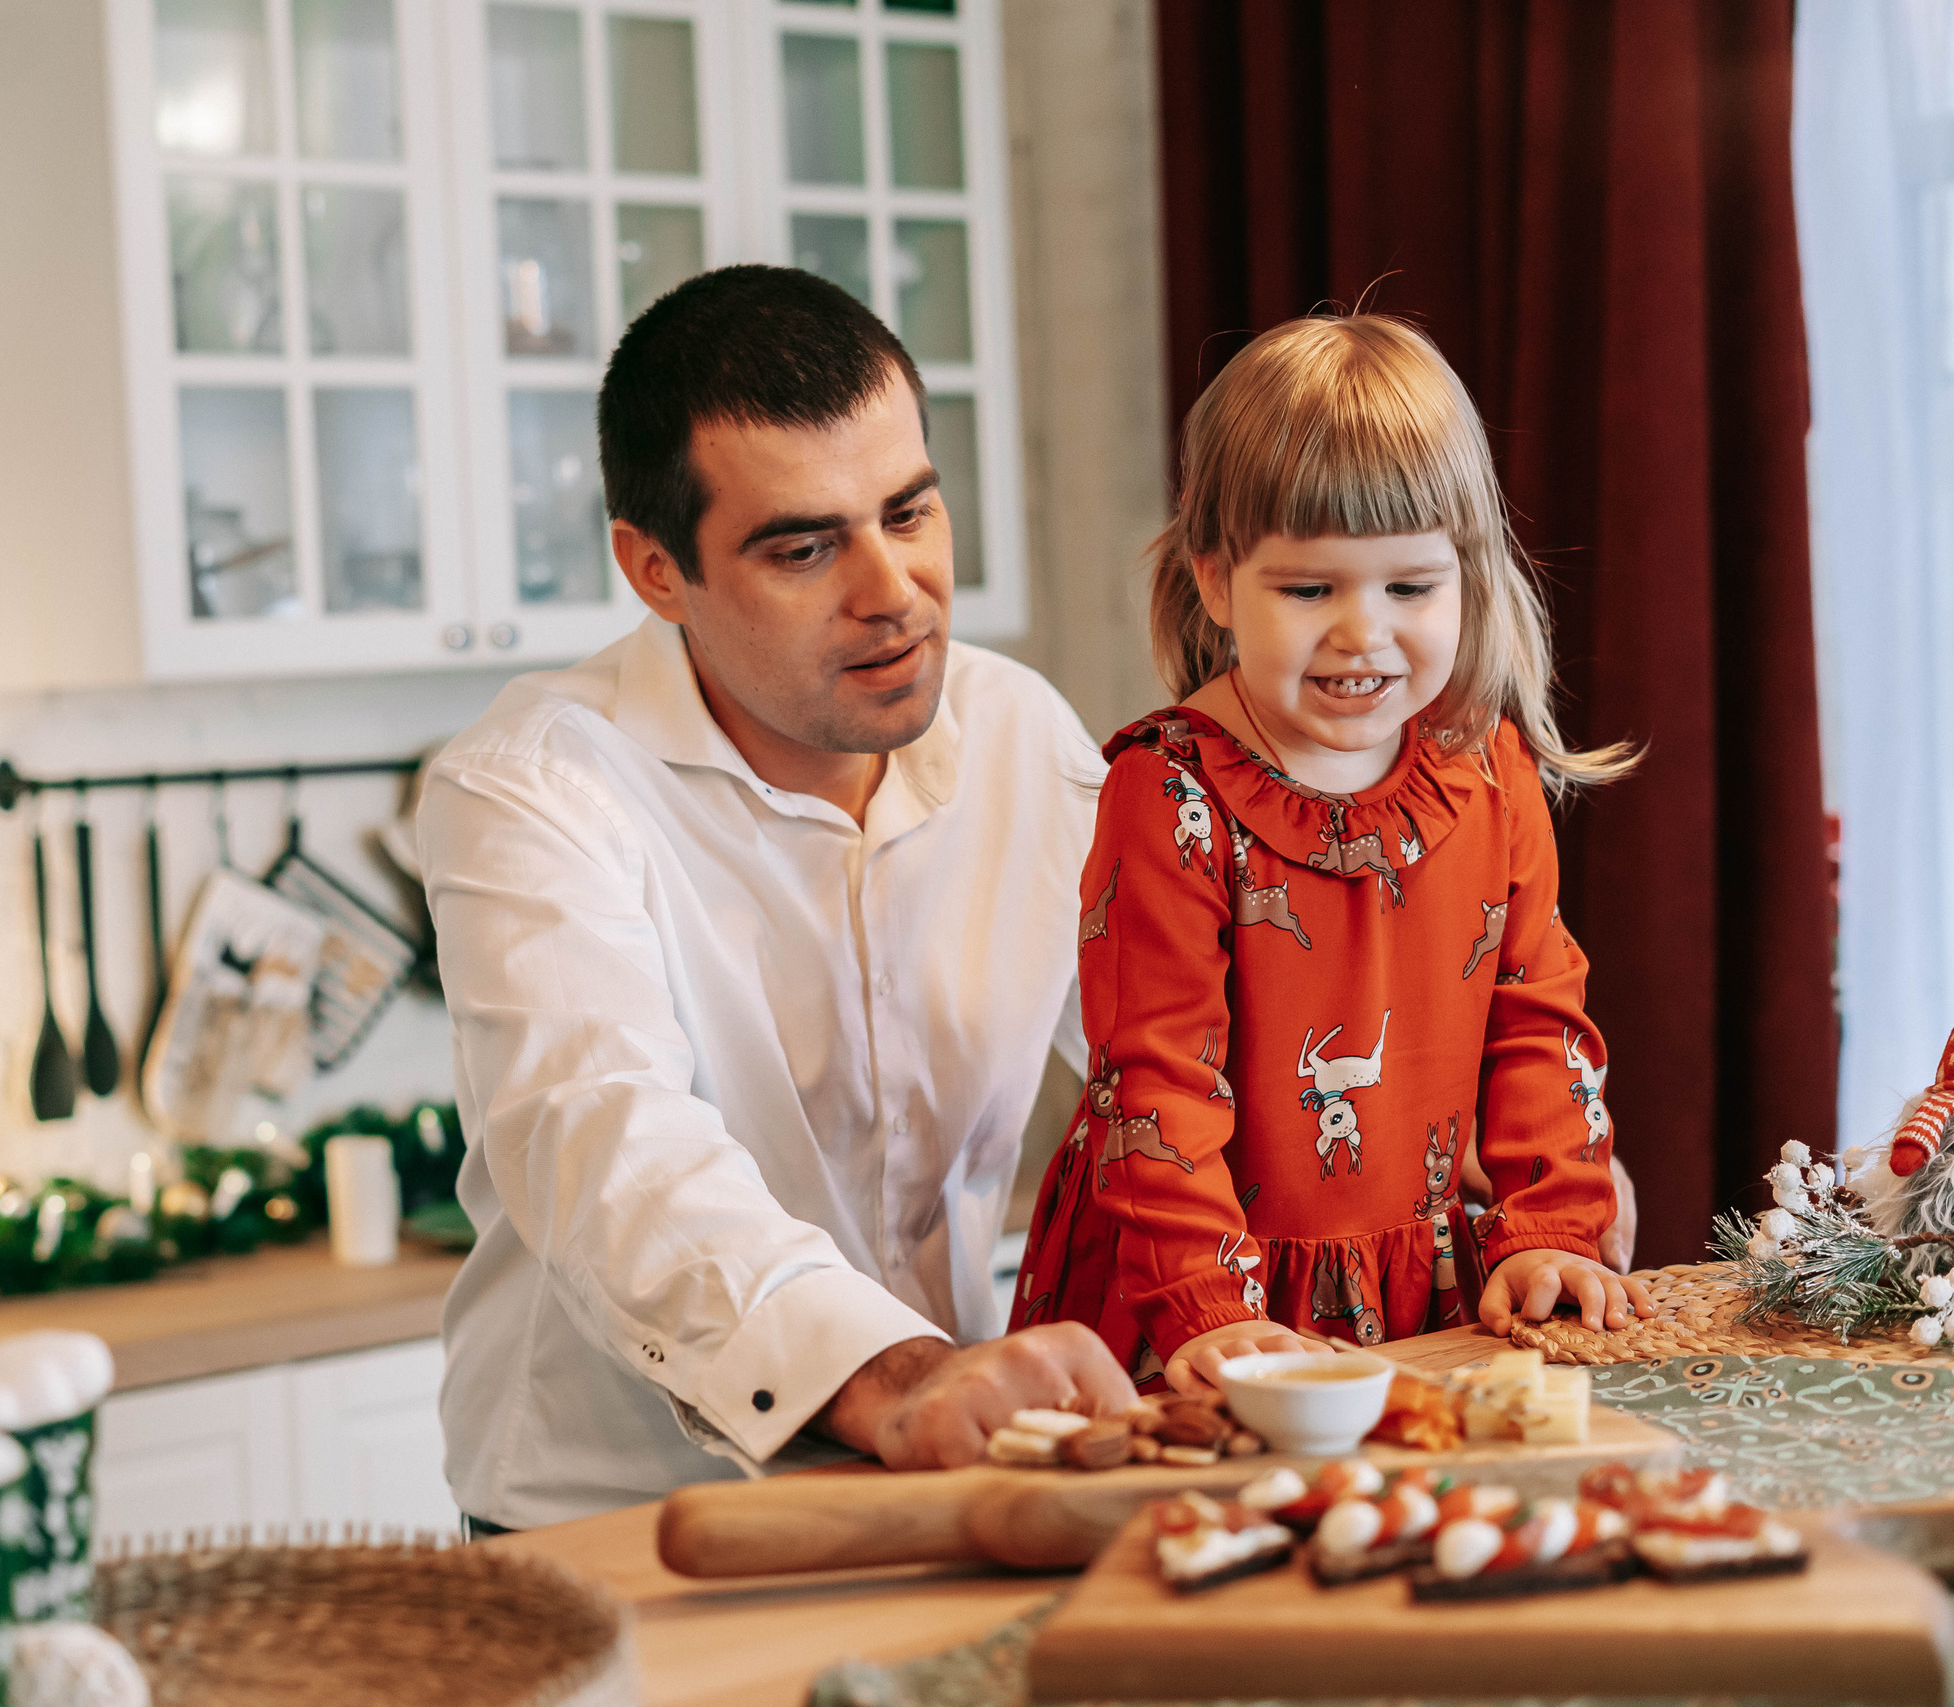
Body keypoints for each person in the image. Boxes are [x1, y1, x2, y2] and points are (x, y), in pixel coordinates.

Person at [403, 266, 1136, 1531]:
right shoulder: (528, 789)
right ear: (655, 571)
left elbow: (1180, 1058)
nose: (890, 591)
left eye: (908, 514)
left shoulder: (1022, 735)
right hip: (612, 1523)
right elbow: (610, 1149)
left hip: (946, 1478)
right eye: (802, 547)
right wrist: (899, 1376)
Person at [1006, 314, 1657, 1398]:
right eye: (1309, 590)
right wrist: (1206, 1311)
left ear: (1468, 578)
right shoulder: (1167, 791)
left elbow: (1536, 1016)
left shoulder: (1485, 765)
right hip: (1199, 1295)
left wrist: (1550, 1225)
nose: (1363, 633)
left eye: (1408, 588)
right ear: (1217, 583)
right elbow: (1155, 1078)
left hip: (1424, 1288)